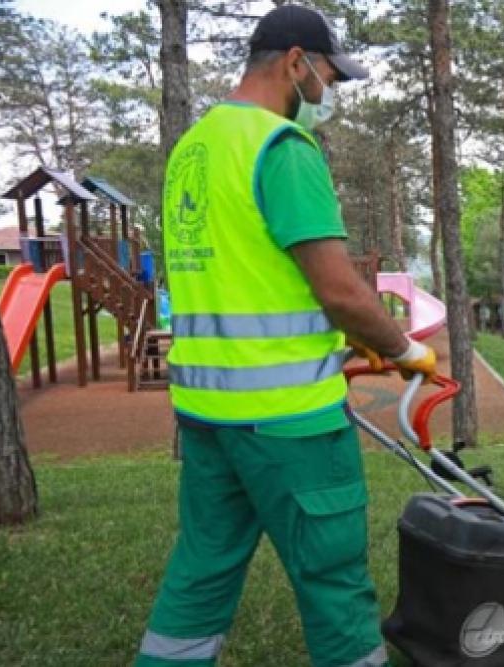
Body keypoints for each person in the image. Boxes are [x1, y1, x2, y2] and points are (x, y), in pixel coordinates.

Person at [136, 6, 435, 666]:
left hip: (208, 416)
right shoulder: (282, 148)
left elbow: (250, 277)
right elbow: (338, 289)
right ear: (295, 63)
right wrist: (404, 349)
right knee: (335, 586)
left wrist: (336, 340)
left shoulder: (195, 148)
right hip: (291, 425)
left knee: (201, 572)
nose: (328, 95)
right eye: (328, 77)